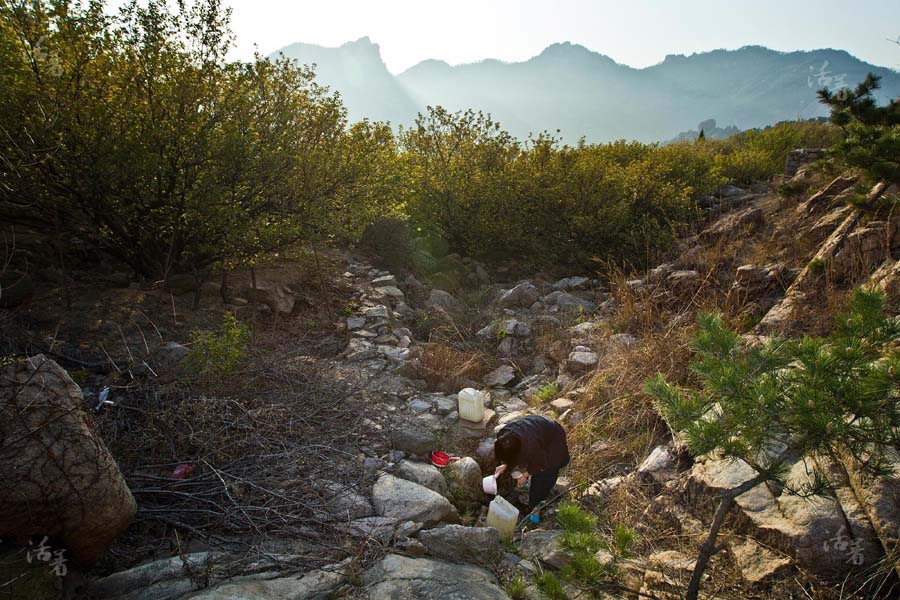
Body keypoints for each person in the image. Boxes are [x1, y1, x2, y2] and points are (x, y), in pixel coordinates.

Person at [493, 414, 569, 510]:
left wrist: (525, 475)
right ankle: (562, 460)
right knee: (537, 460)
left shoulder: (530, 445)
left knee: (544, 474)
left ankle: (535, 507)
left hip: (554, 436)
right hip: (538, 428)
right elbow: (509, 454)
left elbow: (540, 463)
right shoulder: (503, 436)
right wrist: (505, 464)